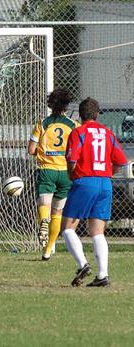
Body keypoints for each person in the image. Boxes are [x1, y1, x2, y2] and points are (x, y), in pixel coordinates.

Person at [61, 97, 127, 287]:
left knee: (67, 228)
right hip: (105, 183)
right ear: (97, 114)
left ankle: (83, 265)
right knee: (97, 232)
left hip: (85, 181)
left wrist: (72, 175)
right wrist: (106, 173)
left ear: (80, 115)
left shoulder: (78, 132)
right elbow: (121, 162)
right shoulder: (107, 133)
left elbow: (72, 160)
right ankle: (103, 275)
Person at [28, 89, 78, 260]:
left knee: (44, 206)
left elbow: (31, 149)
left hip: (46, 170)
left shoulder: (42, 124)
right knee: (57, 211)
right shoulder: (74, 125)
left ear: (50, 105)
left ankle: (43, 221)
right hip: (65, 172)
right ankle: (48, 250)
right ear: (66, 106)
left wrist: (44, 153)